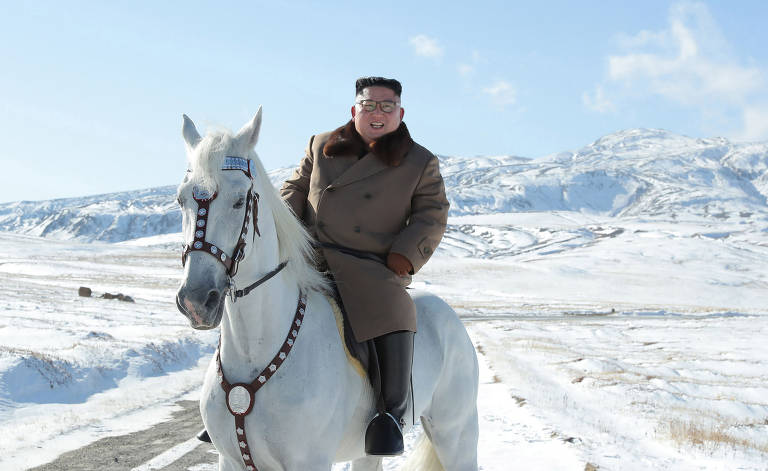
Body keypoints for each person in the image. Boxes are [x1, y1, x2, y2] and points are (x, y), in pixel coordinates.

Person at [280, 76, 449, 456]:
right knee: (254, 290)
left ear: (400, 113)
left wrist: (403, 256)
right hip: (310, 255)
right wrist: (282, 227)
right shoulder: (321, 144)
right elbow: (294, 188)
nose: (377, 113)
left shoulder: (419, 161)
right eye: (369, 104)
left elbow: (432, 214)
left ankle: (389, 416)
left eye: (387, 106)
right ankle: (233, 399)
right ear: (353, 109)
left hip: (369, 263)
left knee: (394, 308)